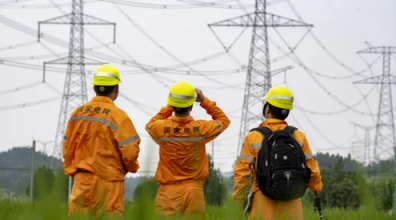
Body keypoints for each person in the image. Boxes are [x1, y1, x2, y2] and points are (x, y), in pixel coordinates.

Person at [232, 85, 323, 220]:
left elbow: (242, 173)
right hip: (292, 202)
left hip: (262, 202)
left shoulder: (254, 137)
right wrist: (317, 189)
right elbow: (312, 169)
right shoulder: (298, 136)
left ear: (267, 109)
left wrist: (238, 201)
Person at [63, 64, 141, 218]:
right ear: (116, 89)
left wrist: (74, 170)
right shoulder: (119, 117)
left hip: (81, 183)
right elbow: (130, 153)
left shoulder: (77, 114)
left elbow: (67, 148)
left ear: (94, 88)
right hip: (109, 184)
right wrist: (129, 168)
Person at [145, 80, 230, 217]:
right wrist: (204, 101)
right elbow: (224, 121)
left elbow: (149, 125)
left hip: (167, 193)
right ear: (191, 105)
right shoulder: (201, 129)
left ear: (172, 105)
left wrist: (169, 106)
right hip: (193, 192)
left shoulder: (160, 128)